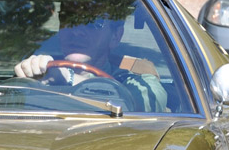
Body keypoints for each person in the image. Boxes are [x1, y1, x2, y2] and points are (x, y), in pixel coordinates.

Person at [13, 11, 168, 112]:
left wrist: (69, 78)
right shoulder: (42, 71)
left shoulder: (134, 81)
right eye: (68, 21)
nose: (77, 31)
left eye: (93, 23)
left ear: (115, 36)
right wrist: (26, 76)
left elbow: (150, 102)